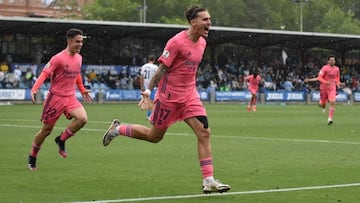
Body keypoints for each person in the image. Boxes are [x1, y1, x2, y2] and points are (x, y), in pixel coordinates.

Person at [102, 5, 231, 194]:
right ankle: (118, 129)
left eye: (209, 19)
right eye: (205, 20)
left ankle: (208, 180)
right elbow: (161, 69)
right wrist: (147, 92)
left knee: (204, 133)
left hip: (190, 96)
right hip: (169, 98)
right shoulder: (176, 42)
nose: (209, 23)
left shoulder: (202, 42)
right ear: (193, 22)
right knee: (154, 137)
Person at [27, 28, 92, 171]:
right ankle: (32, 156)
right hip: (55, 98)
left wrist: (82, 89)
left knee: (82, 119)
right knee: (46, 131)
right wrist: (34, 88)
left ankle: (61, 139)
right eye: (77, 42)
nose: (80, 44)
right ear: (69, 41)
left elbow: (77, 74)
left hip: (70, 97)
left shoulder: (79, 58)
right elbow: (45, 73)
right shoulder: (58, 58)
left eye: (81, 42)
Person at [304, 55, 344, 125]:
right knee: (322, 104)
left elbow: (337, 79)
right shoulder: (324, 68)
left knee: (332, 102)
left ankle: (330, 119)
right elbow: (319, 78)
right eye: (331, 60)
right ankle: (322, 105)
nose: (332, 61)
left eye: (333, 60)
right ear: (328, 61)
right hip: (324, 88)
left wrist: (339, 83)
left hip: (332, 88)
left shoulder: (337, 69)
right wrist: (326, 82)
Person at [140, 54, 159, 119]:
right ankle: (150, 115)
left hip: (145, 86)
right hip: (152, 86)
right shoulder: (155, 67)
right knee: (152, 101)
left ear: (148, 59)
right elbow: (157, 77)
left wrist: (142, 85)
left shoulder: (144, 66)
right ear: (154, 60)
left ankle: (149, 115)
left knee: (149, 101)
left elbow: (141, 76)